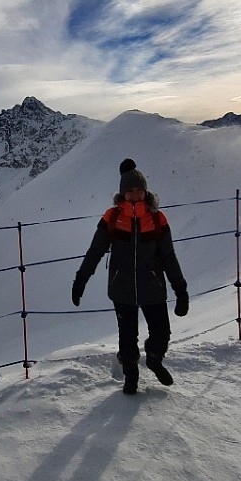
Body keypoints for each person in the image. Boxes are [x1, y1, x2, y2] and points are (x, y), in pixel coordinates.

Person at [72, 158, 189, 395]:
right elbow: (95, 250)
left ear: (146, 191)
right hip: (122, 287)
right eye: (130, 191)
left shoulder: (157, 218)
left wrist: (181, 290)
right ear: (122, 193)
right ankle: (131, 374)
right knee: (127, 336)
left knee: (161, 332)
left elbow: (168, 256)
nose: (135, 195)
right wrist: (81, 280)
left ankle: (154, 359)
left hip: (152, 286)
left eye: (139, 190)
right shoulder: (113, 217)